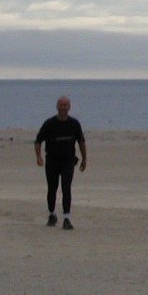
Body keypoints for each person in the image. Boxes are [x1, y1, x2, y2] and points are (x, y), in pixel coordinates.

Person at [35, 96, 87, 229]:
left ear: (69, 107)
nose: (63, 108)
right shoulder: (49, 123)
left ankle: (67, 218)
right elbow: (38, 141)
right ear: (57, 107)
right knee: (52, 189)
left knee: (66, 187)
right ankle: (52, 214)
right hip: (52, 161)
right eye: (61, 105)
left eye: (66, 105)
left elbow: (81, 141)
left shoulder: (74, 124)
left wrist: (84, 159)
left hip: (68, 161)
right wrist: (39, 157)